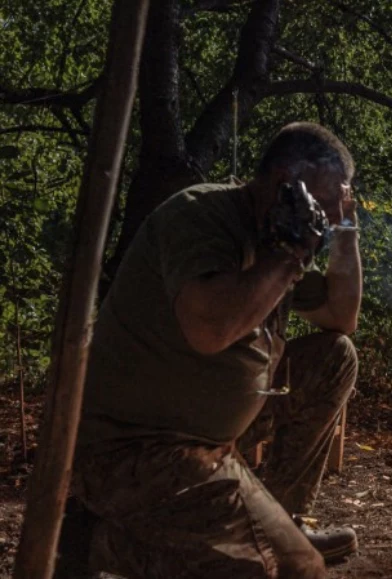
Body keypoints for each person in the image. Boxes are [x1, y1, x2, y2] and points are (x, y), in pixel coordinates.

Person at [70, 122, 363, 578]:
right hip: (136, 446)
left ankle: (282, 515)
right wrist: (290, 255)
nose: (322, 222)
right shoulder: (201, 215)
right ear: (286, 179)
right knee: (291, 571)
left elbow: (341, 318)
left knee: (335, 356)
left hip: (212, 442)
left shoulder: (279, 240)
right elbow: (211, 329)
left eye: (332, 212)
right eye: (322, 205)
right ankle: (103, 539)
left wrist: (346, 232)